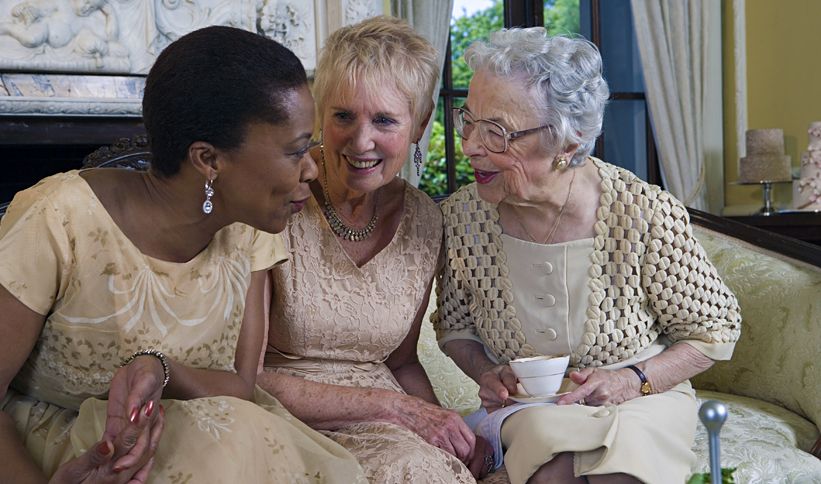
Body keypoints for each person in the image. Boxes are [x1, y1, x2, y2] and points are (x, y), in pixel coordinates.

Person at [0, 25, 365, 483]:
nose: (312, 169)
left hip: (211, 442)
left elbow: (240, 387)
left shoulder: (252, 230)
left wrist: (162, 370)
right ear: (208, 160)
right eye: (295, 152)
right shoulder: (56, 220)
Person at [432, 27, 742, 484]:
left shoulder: (642, 212)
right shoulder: (462, 219)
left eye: (497, 132)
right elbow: (456, 326)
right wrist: (486, 371)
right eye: (469, 120)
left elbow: (714, 330)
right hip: (530, 408)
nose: (472, 145)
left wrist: (632, 380)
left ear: (569, 144)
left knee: (624, 468)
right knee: (550, 458)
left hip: (641, 397)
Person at [257, 16, 494, 483]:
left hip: (389, 425)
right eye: (343, 115)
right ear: (320, 113)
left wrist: (448, 429)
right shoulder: (278, 200)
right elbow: (240, 372)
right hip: (279, 417)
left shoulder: (426, 219)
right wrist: (396, 410)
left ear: (420, 124)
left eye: (384, 120)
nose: (361, 141)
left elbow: (402, 361)